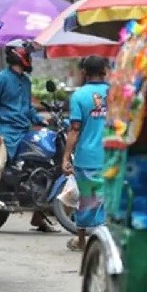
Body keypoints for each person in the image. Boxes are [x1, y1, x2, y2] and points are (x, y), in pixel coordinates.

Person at [0, 40, 55, 233]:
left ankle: (38, 216)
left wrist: (41, 119)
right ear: (19, 55)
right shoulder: (1, 78)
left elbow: (27, 108)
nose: (30, 58)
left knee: (44, 163)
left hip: (23, 131)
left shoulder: (26, 81)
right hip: (3, 132)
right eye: (28, 54)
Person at [61, 56, 109, 251]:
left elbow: (75, 129)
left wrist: (65, 156)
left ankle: (82, 241)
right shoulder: (115, 93)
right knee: (109, 199)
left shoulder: (79, 96)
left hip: (87, 158)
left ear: (84, 72)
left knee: (86, 200)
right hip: (112, 156)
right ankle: (108, 240)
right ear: (105, 71)